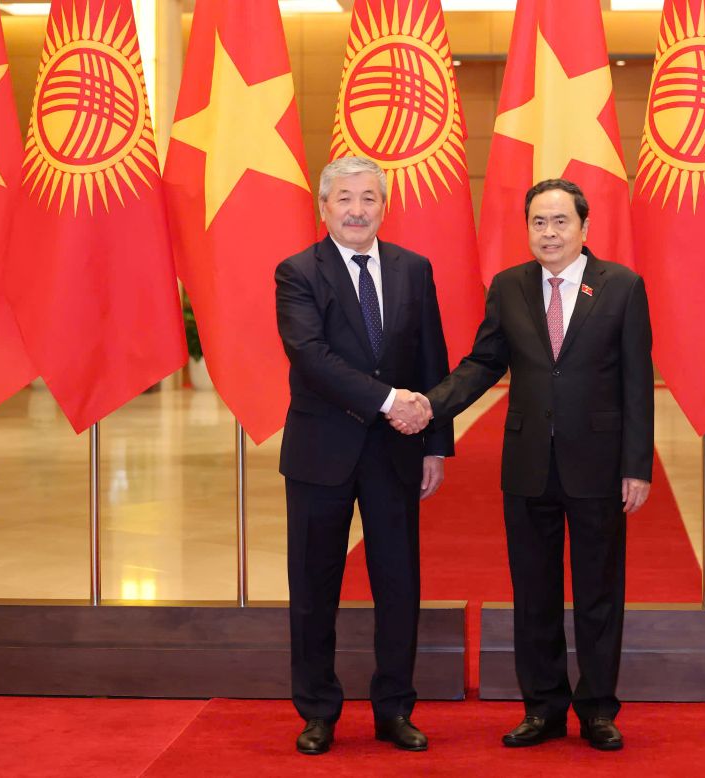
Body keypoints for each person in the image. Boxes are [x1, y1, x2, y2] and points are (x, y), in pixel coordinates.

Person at [395, 178, 653, 751]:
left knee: (598, 592)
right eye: (539, 222)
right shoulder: (509, 287)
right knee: (533, 591)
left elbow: (638, 383)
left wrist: (637, 465)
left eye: (561, 221)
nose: (550, 232)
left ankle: (598, 710)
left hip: (600, 464)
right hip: (529, 463)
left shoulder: (622, 287)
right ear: (527, 229)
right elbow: (484, 362)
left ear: (585, 228)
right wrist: (428, 404)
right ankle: (543, 708)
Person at [275, 156, 450, 756]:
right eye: (344, 198)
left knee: (399, 585)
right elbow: (311, 357)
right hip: (321, 453)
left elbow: (432, 358)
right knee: (314, 586)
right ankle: (318, 710)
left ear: (385, 204)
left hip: (397, 453)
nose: (356, 210)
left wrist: (435, 445)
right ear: (323, 207)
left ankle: (394, 708)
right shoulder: (297, 272)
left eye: (369, 198)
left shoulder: (414, 268)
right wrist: (388, 400)